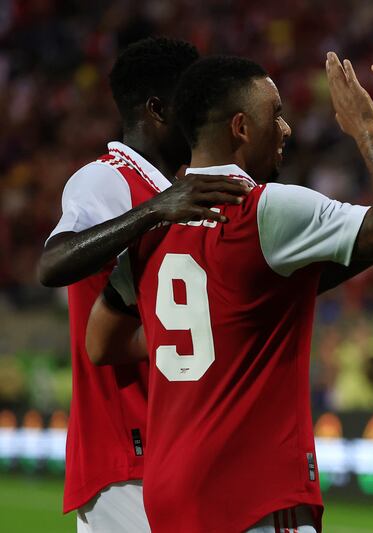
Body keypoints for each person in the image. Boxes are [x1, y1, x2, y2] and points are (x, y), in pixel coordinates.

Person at [87, 53, 373, 533]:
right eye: (276, 114)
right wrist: (367, 129)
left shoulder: (153, 230)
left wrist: (217, 330)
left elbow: (99, 343)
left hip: (170, 495)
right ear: (241, 128)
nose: (287, 128)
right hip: (255, 494)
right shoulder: (268, 209)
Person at [37, 37, 247, 532]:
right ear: (157, 108)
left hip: (175, 450)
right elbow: (52, 264)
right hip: (125, 454)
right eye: (191, 102)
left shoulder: (178, 190)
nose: (202, 116)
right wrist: (153, 211)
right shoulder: (106, 179)